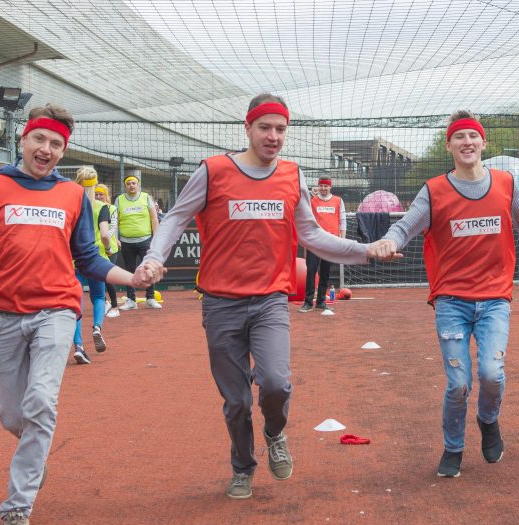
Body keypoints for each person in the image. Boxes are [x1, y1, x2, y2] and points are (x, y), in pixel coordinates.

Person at [139, 93, 393, 500]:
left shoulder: (292, 176)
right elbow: (174, 219)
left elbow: (312, 236)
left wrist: (366, 249)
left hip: (271, 299)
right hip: (220, 302)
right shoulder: (213, 171)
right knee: (236, 401)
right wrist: (153, 260)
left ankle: (274, 432)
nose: (273, 137)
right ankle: (243, 465)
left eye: (280, 129)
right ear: (248, 128)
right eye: (265, 128)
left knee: (275, 382)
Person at [0, 103, 149, 525]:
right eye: (40, 140)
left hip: (57, 310)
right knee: (14, 416)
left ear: (62, 151)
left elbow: (87, 257)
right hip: (4, 317)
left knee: (41, 404)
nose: (47, 149)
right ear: (23, 141)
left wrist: (130, 279)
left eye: (56, 144)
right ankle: (35, 454)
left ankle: (16, 509)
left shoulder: (72, 196)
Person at [372, 111, 519, 478]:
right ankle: (453, 447)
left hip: (493, 298)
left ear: (483, 143)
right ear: (450, 146)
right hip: (451, 300)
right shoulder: (435, 190)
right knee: (458, 382)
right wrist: (389, 241)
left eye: (473, 136)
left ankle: (488, 420)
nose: (467, 143)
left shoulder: (505, 184)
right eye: (459, 138)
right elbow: (406, 225)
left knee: (492, 373)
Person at [70, 167, 112, 364]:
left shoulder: (71, 204)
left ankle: (78, 346)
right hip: (95, 258)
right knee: (98, 297)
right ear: (95, 183)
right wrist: (109, 249)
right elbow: (104, 234)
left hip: (72, 260)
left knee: (75, 303)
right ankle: (96, 327)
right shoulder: (100, 206)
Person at [299, 175, 346, 313]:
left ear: (330, 186)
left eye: (326, 186)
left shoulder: (338, 201)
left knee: (325, 272)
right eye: (321, 186)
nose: (323, 188)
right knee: (311, 271)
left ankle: (320, 301)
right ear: (318, 186)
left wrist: (342, 240)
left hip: (330, 242)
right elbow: (299, 199)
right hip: (314, 241)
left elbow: (342, 220)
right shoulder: (311, 200)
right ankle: (308, 302)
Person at [115, 174, 161, 310]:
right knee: (129, 271)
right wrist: (116, 238)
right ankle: (131, 300)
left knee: (149, 269)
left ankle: (150, 298)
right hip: (126, 242)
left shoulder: (146, 198)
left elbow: (154, 218)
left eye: (134, 183)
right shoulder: (119, 200)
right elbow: (115, 221)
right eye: (129, 183)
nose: (131, 185)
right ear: (125, 186)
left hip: (145, 240)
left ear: (138, 185)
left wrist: (156, 238)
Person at [95, 183, 121, 318]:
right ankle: (105, 302)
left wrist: (108, 240)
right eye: (97, 194)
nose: (99, 197)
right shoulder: (91, 207)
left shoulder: (112, 208)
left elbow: (111, 228)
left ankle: (115, 306)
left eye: (101, 194)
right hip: (96, 248)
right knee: (96, 277)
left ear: (107, 196)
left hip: (110, 249)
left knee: (108, 277)